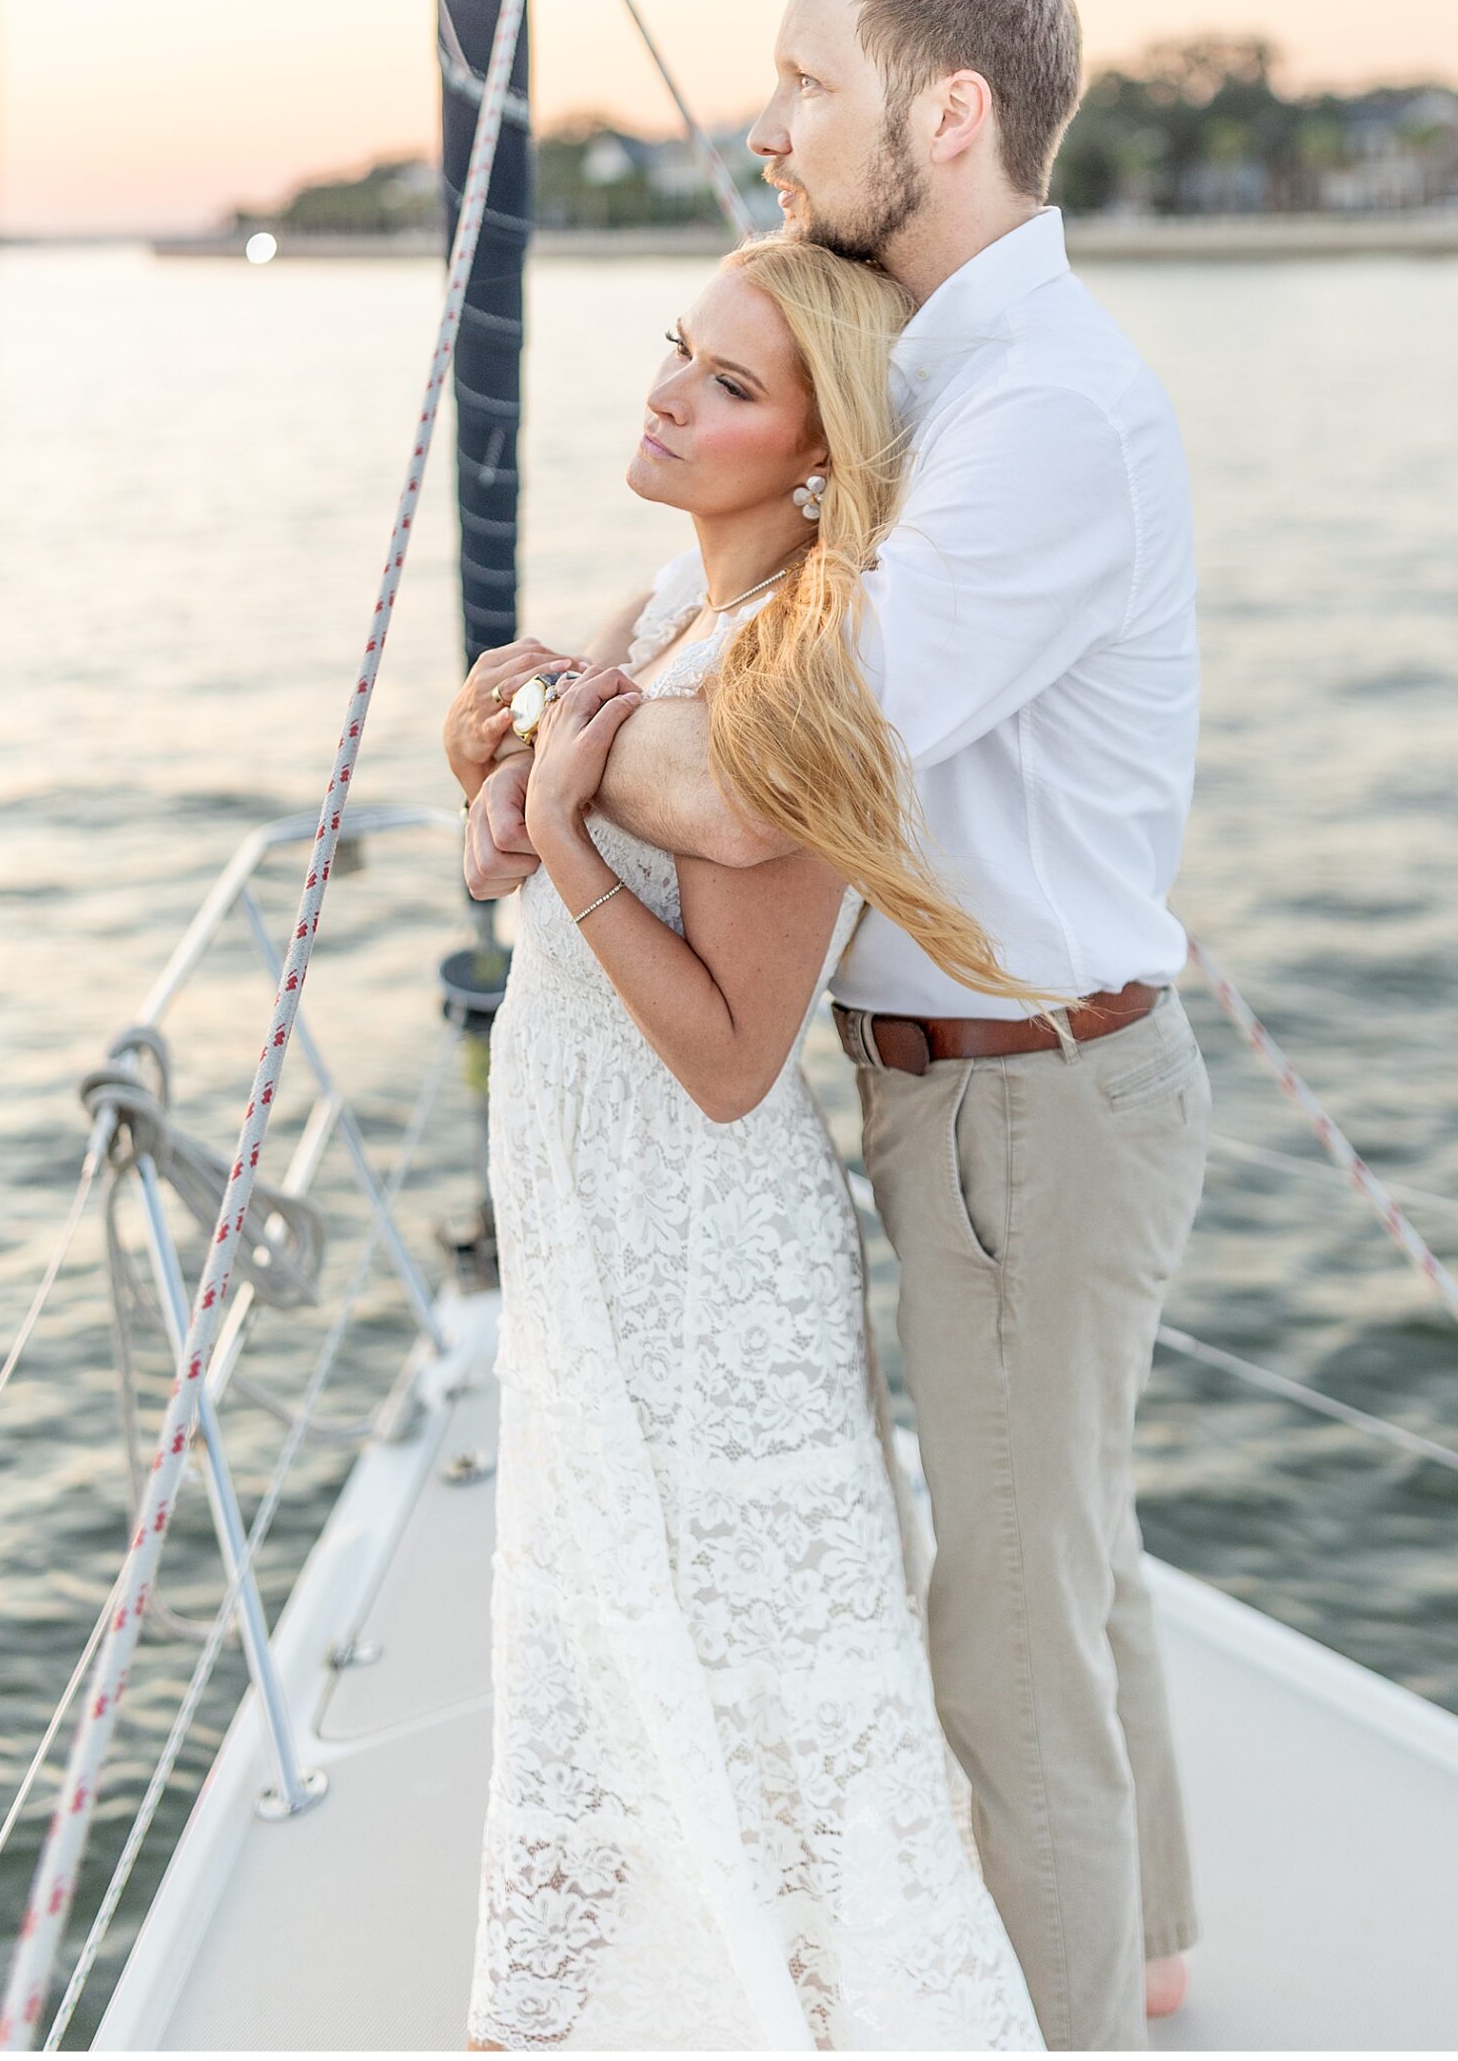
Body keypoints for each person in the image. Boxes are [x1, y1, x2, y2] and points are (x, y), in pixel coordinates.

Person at [454, 0, 1211, 2053]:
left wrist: (556, 756)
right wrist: (557, 752)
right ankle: (1154, 1951)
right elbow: (730, 725)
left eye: (803, 81)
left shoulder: (1038, 416)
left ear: (943, 113)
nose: (764, 124)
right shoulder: (929, 376)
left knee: (1004, 1646)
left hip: (1028, 1096)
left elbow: (789, 761)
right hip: (984, 1080)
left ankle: (1070, 2020)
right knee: (1064, 1556)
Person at [455, 234, 1045, 2051]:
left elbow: (731, 1059)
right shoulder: (647, 620)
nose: (665, 392)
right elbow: (505, 873)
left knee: (747, 1670)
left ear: (813, 454)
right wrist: (489, 773)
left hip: (699, 1242)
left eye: (727, 382)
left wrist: (558, 836)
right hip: (584, 1223)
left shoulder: (793, 679)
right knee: (603, 1631)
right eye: (673, 352)